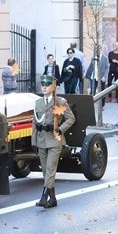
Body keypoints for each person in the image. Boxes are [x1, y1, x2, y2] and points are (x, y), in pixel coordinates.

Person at [32, 75, 76, 209]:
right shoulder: (38, 103)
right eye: (42, 85)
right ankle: (53, 199)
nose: (44, 87)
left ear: (53, 87)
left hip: (55, 140)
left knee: (50, 169)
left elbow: (71, 118)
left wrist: (60, 129)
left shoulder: (60, 102)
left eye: (47, 85)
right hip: (41, 140)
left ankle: (44, 196)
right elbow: (34, 123)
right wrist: (33, 141)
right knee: (46, 172)